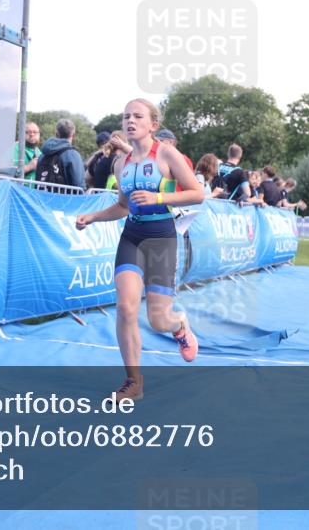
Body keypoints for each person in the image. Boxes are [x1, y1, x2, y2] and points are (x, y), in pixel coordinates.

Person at [75, 99, 205, 402]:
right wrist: (93, 217)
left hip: (161, 238)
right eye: (126, 117)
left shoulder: (167, 154)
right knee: (125, 307)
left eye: (137, 116)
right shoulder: (121, 163)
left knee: (159, 320)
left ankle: (179, 325)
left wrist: (159, 198)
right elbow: (123, 206)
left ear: (153, 124)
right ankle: (134, 382)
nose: (130, 121)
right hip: (132, 237)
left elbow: (198, 194)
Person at [37, 118, 85, 189]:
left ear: (56, 134)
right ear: (73, 135)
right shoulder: (73, 155)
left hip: (41, 195)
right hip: (64, 196)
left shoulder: (42, 155)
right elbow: (78, 185)